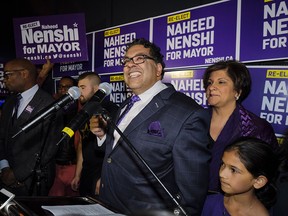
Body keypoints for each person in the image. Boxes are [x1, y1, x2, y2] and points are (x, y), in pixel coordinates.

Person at [89, 38, 212, 215]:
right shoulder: (124, 105)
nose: (130, 65)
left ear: (158, 69)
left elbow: (191, 192)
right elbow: (115, 155)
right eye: (126, 61)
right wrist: (102, 136)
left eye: (139, 59)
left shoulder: (187, 113)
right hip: (108, 206)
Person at [203, 60, 279, 193]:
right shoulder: (194, 119)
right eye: (210, 82)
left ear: (237, 91)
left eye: (221, 82)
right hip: (192, 199)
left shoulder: (257, 128)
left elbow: (270, 171)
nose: (211, 87)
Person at [0, 58, 63, 196]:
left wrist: (17, 174)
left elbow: (50, 148)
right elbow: (2, 138)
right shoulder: (9, 103)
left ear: (24, 74)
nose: (4, 79)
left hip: (33, 181)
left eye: (7, 74)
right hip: (5, 176)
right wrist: (4, 167)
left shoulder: (49, 104)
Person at [201, 136, 286, 216]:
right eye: (223, 164)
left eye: (233, 170)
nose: (221, 174)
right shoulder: (207, 202)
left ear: (258, 181)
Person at [71, 72, 118, 196]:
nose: (79, 91)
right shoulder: (83, 112)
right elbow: (82, 143)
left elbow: (115, 149)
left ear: (96, 88)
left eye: (83, 87)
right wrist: (77, 174)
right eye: (78, 87)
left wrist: (103, 176)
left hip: (102, 174)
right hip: (87, 173)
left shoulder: (110, 110)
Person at [48, 76, 79, 196]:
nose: (63, 90)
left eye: (67, 87)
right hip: (55, 166)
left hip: (73, 165)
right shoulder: (51, 107)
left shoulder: (80, 108)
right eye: (61, 86)